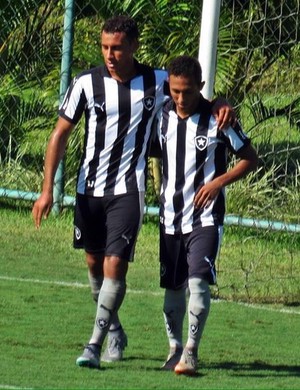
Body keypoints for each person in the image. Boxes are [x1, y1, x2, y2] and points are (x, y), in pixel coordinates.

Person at [32, 16, 235, 370]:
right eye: (105, 47)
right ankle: (115, 330)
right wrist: (47, 189)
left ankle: (94, 344)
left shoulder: (156, 82)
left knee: (114, 264)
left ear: (134, 47)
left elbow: (191, 90)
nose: (110, 55)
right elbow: (60, 134)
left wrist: (222, 102)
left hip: (128, 188)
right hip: (88, 187)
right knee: (95, 265)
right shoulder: (84, 83)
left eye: (118, 48)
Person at [153, 55, 258, 376]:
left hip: (206, 219)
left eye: (187, 91)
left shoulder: (218, 119)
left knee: (197, 282)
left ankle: (191, 352)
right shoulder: (161, 115)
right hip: (170, 216)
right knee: (172, 287)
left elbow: (250, 158)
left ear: (200, 87)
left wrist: (218, 182)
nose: (180, 98)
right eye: (175, 91)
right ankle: (173, 348)